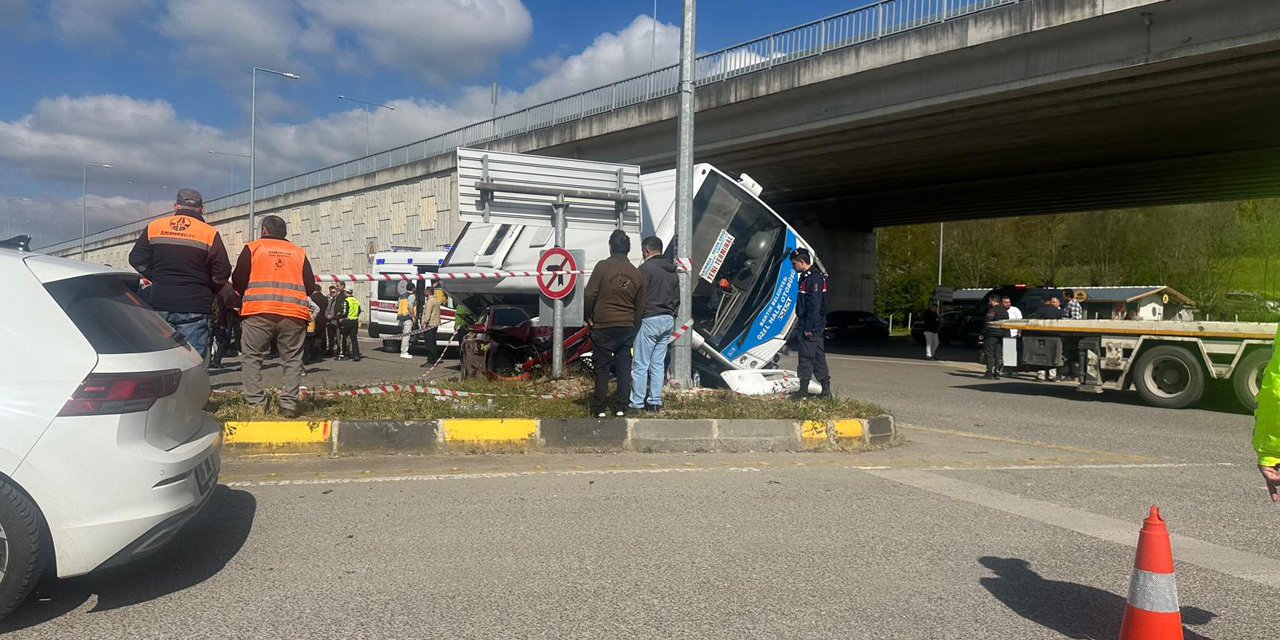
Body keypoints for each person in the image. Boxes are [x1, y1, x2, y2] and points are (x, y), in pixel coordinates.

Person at [128, 188, 231, 360]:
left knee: (160, 357)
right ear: (202, 209)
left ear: (176, 206)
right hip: (194, 304)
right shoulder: (209, 233)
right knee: (193, 359)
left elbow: (136, 259)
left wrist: (157, 277)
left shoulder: (155, 227)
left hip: (160, 300)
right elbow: (223, 271)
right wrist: (208, 288)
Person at [231, 215, 316, 417]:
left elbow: (238, 280)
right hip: (293, 313)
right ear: (284, 232)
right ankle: (288, 404)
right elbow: (310, 286)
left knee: (252, 358)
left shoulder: (253, 248)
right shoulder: (298, 252)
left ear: (264, 230)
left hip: (258, 311)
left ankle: (256, 404)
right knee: (292, 359)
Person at [584, 229, 645, 418]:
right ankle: (621, 407)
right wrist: (633, 326)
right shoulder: (637, 274)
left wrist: (588, 316)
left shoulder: (602, 267)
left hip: (603, 323)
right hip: (626, 325)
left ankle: (600, 408)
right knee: (623, 367)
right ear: (628, 249)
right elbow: (640, 307)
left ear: (610, 247)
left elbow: (589, 294)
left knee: (602, 367)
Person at [630, 236, 679, 413]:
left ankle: (637, 403)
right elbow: (677, 298)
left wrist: (636, 318)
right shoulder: (672, 271)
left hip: (649, 318)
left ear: (646, 251)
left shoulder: (645, 269)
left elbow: (638, 297)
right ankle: (655, 401)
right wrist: (672, 315)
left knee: (640, 364)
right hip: (667, 319)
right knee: (658, 363)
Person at [790, 248, 831, 399]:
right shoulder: (806, 277)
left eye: (794, 263)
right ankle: (826, 391)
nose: (793, 266)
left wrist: (809, 327)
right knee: (818, 356)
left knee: (806, 356)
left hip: (811, 324)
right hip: (812, 323)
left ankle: (803, 392)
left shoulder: (814, 278)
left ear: (802, 262)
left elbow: (814, 305)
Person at [1031, 296, 1063, 381]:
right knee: (1053, 355)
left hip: (1042, 335)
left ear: (1043, 301)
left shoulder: (1040, 310)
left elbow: (1035, 320)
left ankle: (1041, 375)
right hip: (1055, 335)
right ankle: (1052, 375)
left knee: (1041, 355)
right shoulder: (1057, 310)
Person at [209, 282, 240, 369]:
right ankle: (216, 361)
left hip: (208, 321)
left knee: (209, 342)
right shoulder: (219, 297)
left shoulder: (206, 297)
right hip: (217, 322)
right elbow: (220, 312)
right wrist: (223, 323)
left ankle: (208, 361)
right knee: (223, 341)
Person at [981, 295, 1009, 380]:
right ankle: (997, 373)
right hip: (1002, 335)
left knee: (989, 353)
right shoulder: (1005, 311)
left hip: (992, 334)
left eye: (990, 301)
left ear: (993, 301)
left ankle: (989, 373)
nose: (989, 303)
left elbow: (988, 322)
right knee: (998, 355)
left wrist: (982, 333)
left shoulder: (992, 310)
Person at [418, 284, 443, 367]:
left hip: (430, 324)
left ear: (428, 292)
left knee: (429, 344)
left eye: (425, 291)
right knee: (433, 342)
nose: (424, 292)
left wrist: (424, 323)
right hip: (435, 324)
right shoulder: (436, 300)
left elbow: (427, 313)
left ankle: (431, 361)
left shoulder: (430, 301)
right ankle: (434, 359)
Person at [338, 287, 363, 362]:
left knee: (343, 338)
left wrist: (339, 316)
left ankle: (344, 354)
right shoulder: (356, 300)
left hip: (347, 321)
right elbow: (359, 311)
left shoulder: (346, 301)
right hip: (354, 321)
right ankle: (356, 355)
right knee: (354, 338)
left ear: (346, 292)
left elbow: (344, 312)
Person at [1002, 296, 1022, 376]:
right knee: (1006, 353)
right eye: (1006, 302)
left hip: (1013, 333)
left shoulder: (1015, 310)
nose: (1008, 304)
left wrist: (1019, 331)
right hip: (1004, 333)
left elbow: (1020, 321)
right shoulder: (1000, 310)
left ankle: (1014, 370)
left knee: (1013, 352)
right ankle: (1006, 370)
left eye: (1009, 302)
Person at [397, 282, 417, 360]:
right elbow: (410, 307)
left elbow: (397, 306)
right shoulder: (411, 296)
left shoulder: (401, 296)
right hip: (407, 318)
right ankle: (404, 352)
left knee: (404, 335)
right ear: (413, 289)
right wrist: (413, 317)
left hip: (401, 317)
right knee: (406, 336)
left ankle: (403, 351)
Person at [325, 285, 343, 355]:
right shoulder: (329, 300)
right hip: (329, 321)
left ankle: (339, 350)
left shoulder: (338, 300)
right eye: (331, 292)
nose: (332, 293)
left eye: (333, 292)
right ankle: (330, 350)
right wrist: (327, 315)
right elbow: (326, 309)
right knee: (330, 337)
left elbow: (338, 310)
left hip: (335, 321)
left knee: (338, 337)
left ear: (337, 292)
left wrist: (333, 316)